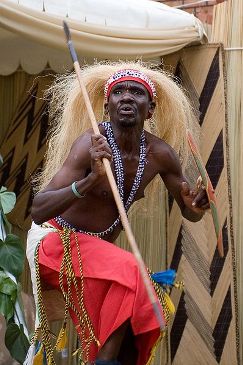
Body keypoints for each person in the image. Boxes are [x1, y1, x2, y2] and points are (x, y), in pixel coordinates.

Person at [26, 63, 209, 365]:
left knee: (140, 316)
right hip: (55, 244)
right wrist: (89, 181)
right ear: (107, 105)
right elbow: (38, 209)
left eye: (136, 92)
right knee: (131, 271)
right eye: (118, 92)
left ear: (150, 109)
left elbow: (190, 214)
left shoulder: (160, 155)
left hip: (100, 262)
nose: (126, 97)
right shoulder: (90, 144)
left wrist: (195, 208)